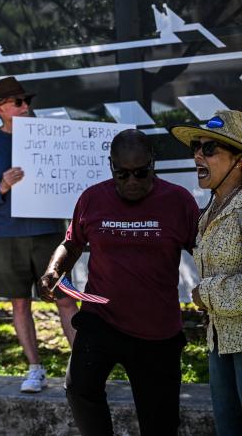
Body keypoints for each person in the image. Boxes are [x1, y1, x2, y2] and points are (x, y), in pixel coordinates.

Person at [38, 129, 199, 435]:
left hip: (157, 329)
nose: (132, 181)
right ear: (111, 165)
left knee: (160, 423)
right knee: (79, 387)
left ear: (153, 163)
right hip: (101, 318)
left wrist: (214, 288)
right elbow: (72, 243)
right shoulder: (92, 198)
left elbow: (204, 250)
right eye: (122, 174)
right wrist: (53, 272)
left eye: (140, 172)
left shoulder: (178, 201)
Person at [0, 76, 77, 393]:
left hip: (49, 234)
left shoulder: (49, 138)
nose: (25, 106)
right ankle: (34, 369)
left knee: (66, 300)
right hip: (8, 237)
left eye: (27, 101)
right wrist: (2, 186)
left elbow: (72, 175)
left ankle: (83, 369)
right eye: (18, 102)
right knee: (19, 304)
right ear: (0, 109)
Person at [170, 110, 242, 435]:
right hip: (219, 341)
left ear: (239, 161)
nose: (198, 155)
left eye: (209, 148)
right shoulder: (212, 208)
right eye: (196, 147)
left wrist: (205, 293)